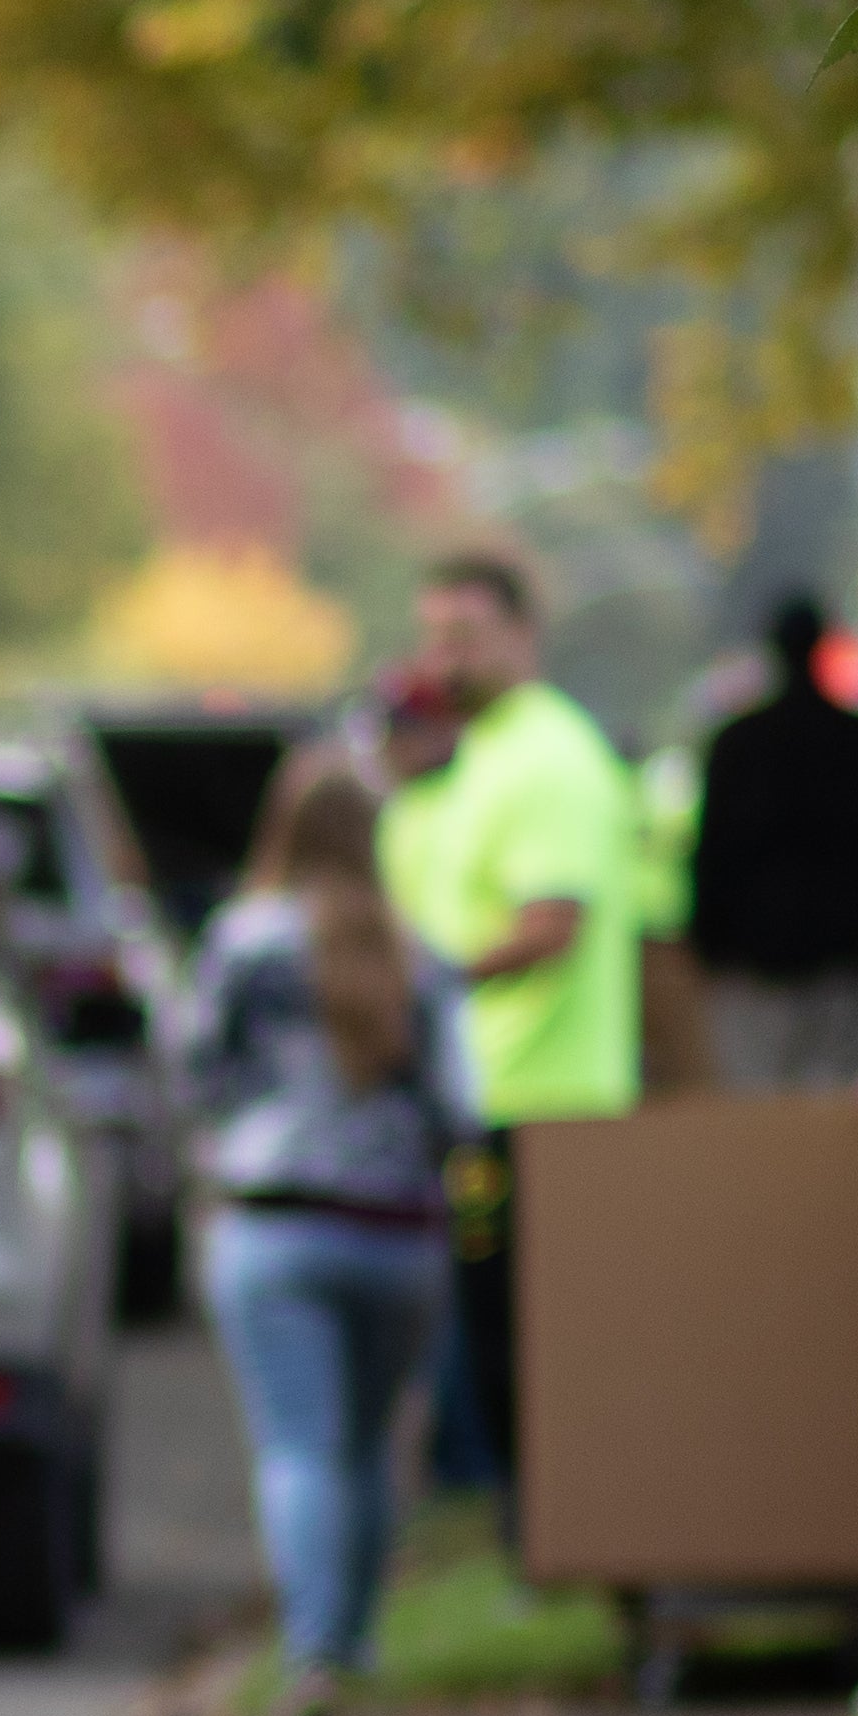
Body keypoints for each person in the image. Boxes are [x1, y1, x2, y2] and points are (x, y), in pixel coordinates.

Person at [179, 752, 477, 1716]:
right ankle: (356, 1639)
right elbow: (459, 1104)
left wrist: (227, 1139)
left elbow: (191, 1069)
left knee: (298, 1448)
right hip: (396, 1234)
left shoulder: (243, 943)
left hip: (275, 1223)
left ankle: (311, 1656)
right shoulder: (415, 954)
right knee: (363, 1445)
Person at [380, 556, 643, 1511]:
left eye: (465, 637)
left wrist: (431, 979)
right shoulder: (487, 749)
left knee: (527, 1338)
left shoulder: (546, 757)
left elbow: (551, 923)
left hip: (545, 1103)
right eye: (433, 637)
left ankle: (554, 1524)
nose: (442, 659)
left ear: (523, 637)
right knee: (494, 1332)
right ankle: (532, 1529)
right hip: (494, 1094)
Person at [686, 592, 858, 1092]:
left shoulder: (737, 745)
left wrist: (709, 951)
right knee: (834, 1127)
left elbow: (710, 861)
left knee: (763, 1128)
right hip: (846, 972)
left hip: (765, 974)